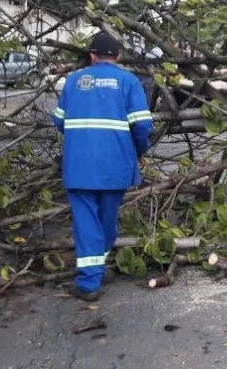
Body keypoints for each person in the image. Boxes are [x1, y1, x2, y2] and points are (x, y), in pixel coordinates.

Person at [52, 33, 154, 302]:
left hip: (79, 165)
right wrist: (140, 150)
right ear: (118, 57)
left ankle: (90, 279)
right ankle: (93, 275)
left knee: (87, 223)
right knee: (106, 221)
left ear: (92, 56)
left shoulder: (73, 81)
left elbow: (59, 121)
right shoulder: (128, 81)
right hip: (115, 165)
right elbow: (142, 125)